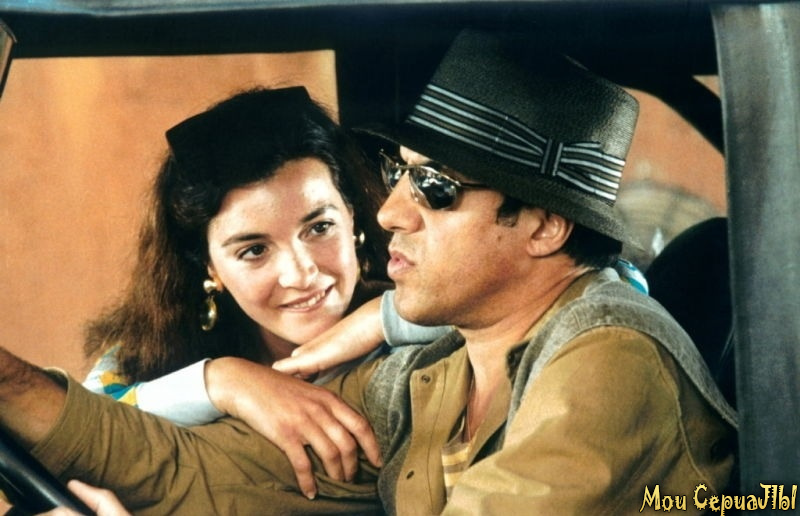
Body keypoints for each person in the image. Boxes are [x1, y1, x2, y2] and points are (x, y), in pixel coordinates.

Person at [0, 29, 736, 514]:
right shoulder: (436, 367)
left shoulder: (607, 360)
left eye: (435, 189)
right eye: (398, 175)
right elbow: (197, 469)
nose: (390, 213)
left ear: (545, 226)